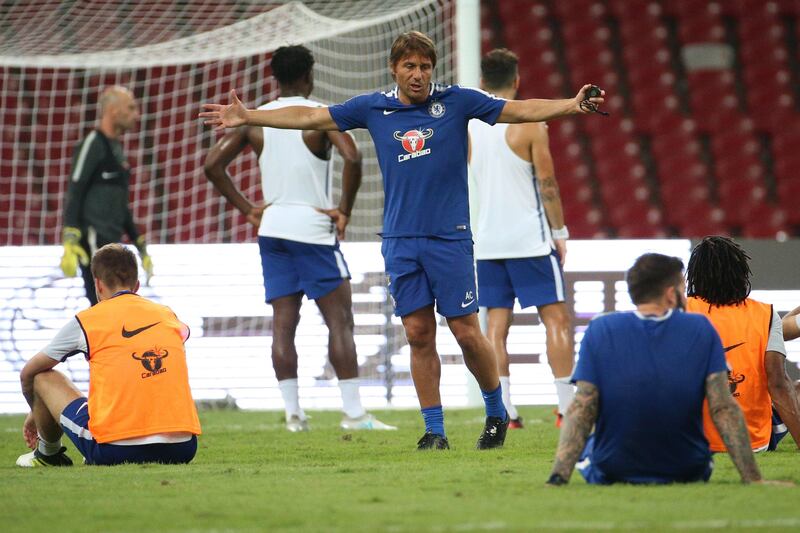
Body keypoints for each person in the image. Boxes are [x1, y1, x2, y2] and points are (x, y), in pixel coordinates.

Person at [200, 31, 605, 450]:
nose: (418, 74)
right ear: (394, 68)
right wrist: (250, 117)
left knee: (466, 331)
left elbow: (519, 110)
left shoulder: (457, 101)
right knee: (417, 332)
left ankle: (496, 411)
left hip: (449, 237)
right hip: (399, 239)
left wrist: (571, 105)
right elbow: (310, 118)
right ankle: (434, 430)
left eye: (425, 66)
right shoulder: (374, 106)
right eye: (409, 66)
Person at [203, 45, 394, 432]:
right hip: (313, 230)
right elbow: (353, 158)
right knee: (339, 322)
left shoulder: (256, 120)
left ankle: (293, 416)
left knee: (283, 324)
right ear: (309, 76)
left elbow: (212, 165)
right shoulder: (317, 117)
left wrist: (248, 209)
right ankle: (354, 414)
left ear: (276, 77)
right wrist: (344, 210)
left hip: (273, 230)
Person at [546, 253, 768, 485]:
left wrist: (557, 478)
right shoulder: (701, 328)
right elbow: (723, 407)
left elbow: (582, 407)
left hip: (615, 467)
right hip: (688, 467)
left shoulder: (600, 329)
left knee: (593, 445)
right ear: (671, 294)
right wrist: (753, 478)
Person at [16, 243, 201, 467]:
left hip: (114, 450)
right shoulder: (168, 315)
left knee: (42, 377)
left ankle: (48, 454)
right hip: (182, 447)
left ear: (98, 284)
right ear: (138, 285)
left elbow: (28, 373)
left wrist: (36, 411)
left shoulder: (87, 320)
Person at [468, 48, 574, 429]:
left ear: (482, 82)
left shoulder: (469, 125)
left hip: (488, 240)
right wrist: (559, 232)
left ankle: (506, 411)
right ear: (516, 81)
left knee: (495, 326)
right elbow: (548, 183)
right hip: (529, 239)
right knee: (556, 319)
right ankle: (566, 406)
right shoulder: (531, 124)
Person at [686, 236, 800, 452]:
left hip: (691, 438)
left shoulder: (680, 312)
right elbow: (777, 383)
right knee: (794, 388)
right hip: (753, 440)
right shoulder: (765, 315)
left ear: (694, 274)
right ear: (741, 273)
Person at [60, 86, 153, 306]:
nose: (136, 114)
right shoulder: (93, 143)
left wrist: (139, 242)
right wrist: (70, 236)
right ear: (113, 110)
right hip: (94, 241)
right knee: (104, 309)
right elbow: (75, 188)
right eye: (130, 107)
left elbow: (120, 202)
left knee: (112, 309)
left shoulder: (116, 148)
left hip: (112, 243)